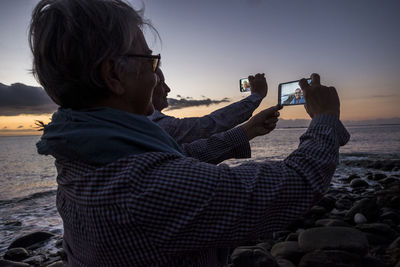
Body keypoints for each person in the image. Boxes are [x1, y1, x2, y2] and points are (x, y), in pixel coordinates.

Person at [30, 0, 350, 266]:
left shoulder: (79, 146)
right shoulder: (141, 188)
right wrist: (325, 118)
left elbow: (172, 157)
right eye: (151, 62)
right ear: (113, 75)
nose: (156, 78)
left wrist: (244, 133)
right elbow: (294, 186)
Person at [149, 68, 267, 144]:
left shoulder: (152, 126)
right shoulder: (155, 125)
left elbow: (197, 152)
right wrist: (256, 96)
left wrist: (251, 129)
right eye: (160, 83)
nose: (168, 89)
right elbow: (209, 125)